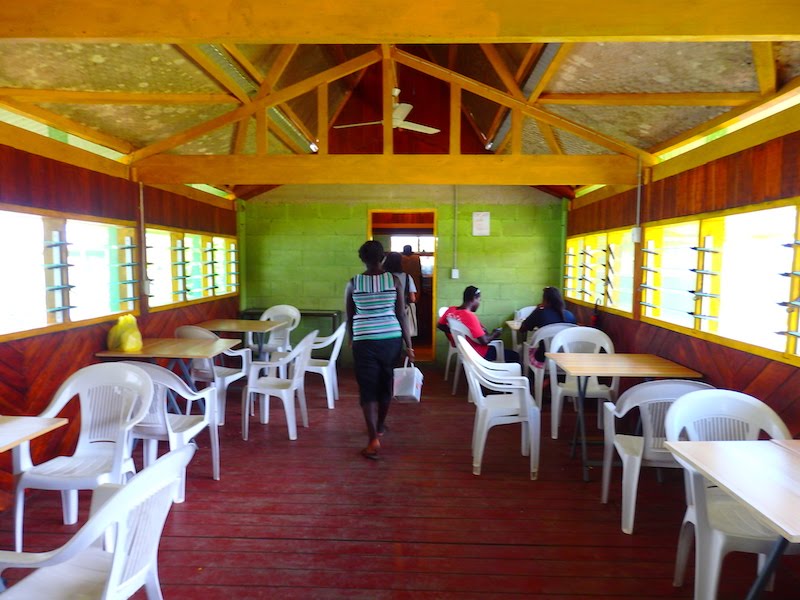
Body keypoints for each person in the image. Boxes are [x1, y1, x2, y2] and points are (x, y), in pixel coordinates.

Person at [345, 241, 414, 460]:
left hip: (364, 340)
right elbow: (401, 315)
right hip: (390, 339)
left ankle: (373, 438)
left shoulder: (353, 283)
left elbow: (350, 316)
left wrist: (352, 338)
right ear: (382, 257)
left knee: (367, 387)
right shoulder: (394, 281)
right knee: (385, 383)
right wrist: (409, 345)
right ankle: (381, 425)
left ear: (362, 259)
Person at [437, 285, 519, 362]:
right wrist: (495, 334)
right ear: (474, 299)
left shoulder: (451, 310)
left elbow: (440, 325)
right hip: (479, 353)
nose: (479, 303)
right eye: (479, 300)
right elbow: (484, 341)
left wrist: (456, 333)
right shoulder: (469, 316)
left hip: (463, 349)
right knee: (515, 355)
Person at [517, 286, 577, 365]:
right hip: (565, 358)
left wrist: (536, 310)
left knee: (528, 348)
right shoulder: (570, 315)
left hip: (543, 357)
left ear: (545, 300)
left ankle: (527, 371)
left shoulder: (540, 313)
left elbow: (522, 329)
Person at [384, 252, 418, 337]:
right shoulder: (407, 277)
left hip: (386, 313)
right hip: (403, 311)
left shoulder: (382, 278)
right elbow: (412, 298)